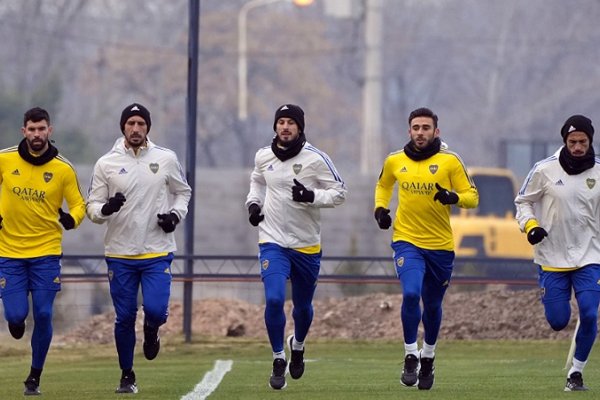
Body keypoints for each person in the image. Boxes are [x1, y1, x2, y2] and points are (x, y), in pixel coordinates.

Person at [86, 103, 191, 394]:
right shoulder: (105, 163)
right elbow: (92, 209)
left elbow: (183, 192)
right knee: (125, 317)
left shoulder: (166, 158)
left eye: (141, 124)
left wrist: (174, 216)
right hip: (120, 254)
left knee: (156, 310)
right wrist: (107, 208)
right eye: (130, 123)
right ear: (123, 127)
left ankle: (152, 330)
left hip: (157, 250)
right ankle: (127, 374)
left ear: (148, 128)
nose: (135, 128)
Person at [374, 107, 478, 390]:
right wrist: (381, 209)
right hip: (407, 241)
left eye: (426, 128)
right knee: (410, 294)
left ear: (436, 132)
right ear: (409, 131)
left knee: (432, 306)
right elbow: (383, 185)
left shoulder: (450, 161)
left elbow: (472, 197)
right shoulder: (395, 159)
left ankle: (428, 356)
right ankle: (410, 354)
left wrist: (452, 196)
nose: (420, 132)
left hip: (440, 247)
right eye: (416, 127)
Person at [246, 103, 346, 390]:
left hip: (306, 244)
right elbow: (257, 182)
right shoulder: (263, 156)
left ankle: (298, 345)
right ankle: (279, 357)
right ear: (275, 126)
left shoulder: (316, 159)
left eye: (291, 122)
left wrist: (311, 195)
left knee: (302, 307)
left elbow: (340, 193)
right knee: (275, 300)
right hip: (272, 241)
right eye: (281, 122)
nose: (285, 127)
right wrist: (253, 204)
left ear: (300, 127)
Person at [0, 107, 86, 395]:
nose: (37, 134)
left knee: (45, 314)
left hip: (46, 252)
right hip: (9, 252)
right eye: (32, 129)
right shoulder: (5, 159)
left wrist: (71, 219)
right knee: (15, 316)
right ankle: (17, 321)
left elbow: (78, 205)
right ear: (23, 131)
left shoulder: (63, 169)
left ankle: (34, 376)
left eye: (42, 129)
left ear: (50, 130)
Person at [515, 114, 600, 392]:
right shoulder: (544, 170)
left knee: (589, 314)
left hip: (590, 256)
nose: (577, 147)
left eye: (583, 142)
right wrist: (531, 226)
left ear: (590, 141)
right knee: (558, 321)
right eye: (573, 141)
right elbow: (523, 202)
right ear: (565, 141)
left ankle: (575, 374)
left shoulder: (598, 171)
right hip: (552, 256)